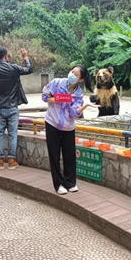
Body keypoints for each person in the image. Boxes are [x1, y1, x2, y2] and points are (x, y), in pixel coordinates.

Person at [41, 65, 97, 195]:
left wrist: (85, 106)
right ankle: (58, 184)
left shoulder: (78, 93)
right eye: (72, 71)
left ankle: (70, 182)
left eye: (76, 74)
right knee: (54, 154)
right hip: (52, 122)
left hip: (68, 126)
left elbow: (73, 113)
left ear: (81, 80)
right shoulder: (57, 83)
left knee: (69, 154)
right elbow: (44, 97)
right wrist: (59, 99)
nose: (72, 74)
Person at [0, 46, 32, 170]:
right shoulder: (14, 68)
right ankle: (11, 161)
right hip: (12, 107)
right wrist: (25, 57)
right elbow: (29, 69)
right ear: (6, 56)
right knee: (12, 134)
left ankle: (0, 161)